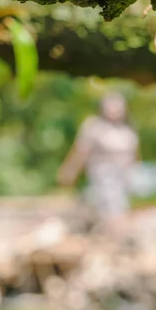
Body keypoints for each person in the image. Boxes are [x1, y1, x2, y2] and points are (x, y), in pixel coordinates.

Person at [57, 92, 140, 239]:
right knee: (112, 210)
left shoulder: (127, 129)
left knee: (117, 209)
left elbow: (134, 155)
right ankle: (114, 240)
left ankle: (114, 240)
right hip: (103, 176)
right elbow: (81, 151)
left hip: (124, 177)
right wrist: (70, 170)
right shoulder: (94, 126)